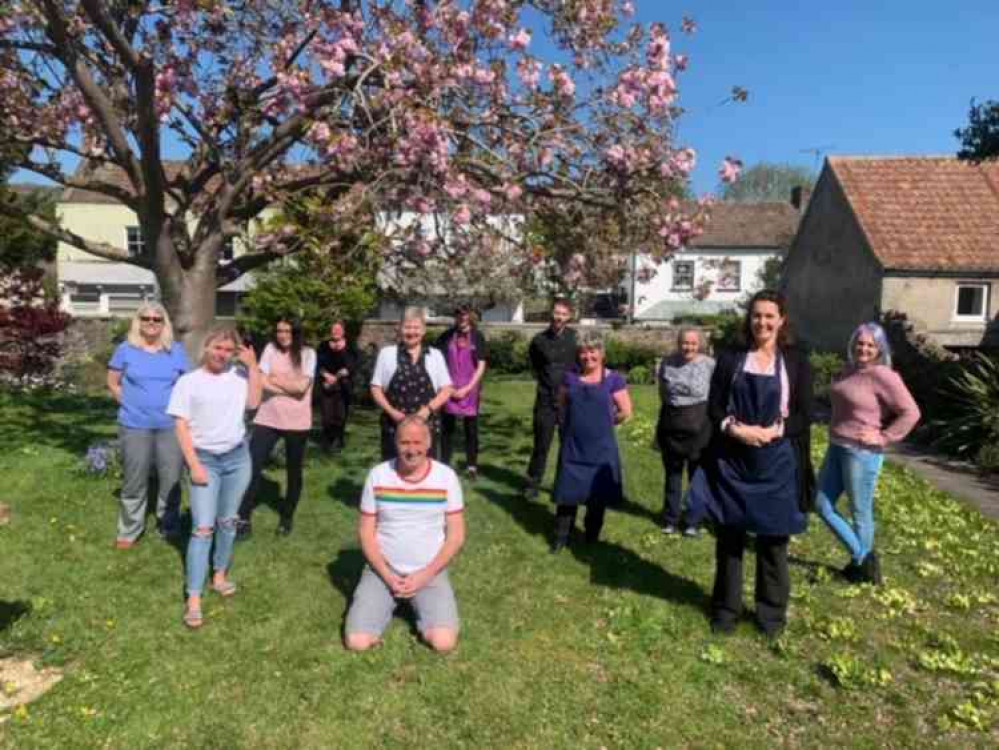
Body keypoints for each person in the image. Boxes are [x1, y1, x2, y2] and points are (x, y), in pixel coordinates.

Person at [688, 290, 815, 638]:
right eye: (756, 315)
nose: (762, 322)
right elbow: (714, 407)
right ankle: (725, 610)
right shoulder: (730, 358)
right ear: (749, 318)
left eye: (769, 316)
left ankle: (770, 616)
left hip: (777, 462)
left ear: (782, 320)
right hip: (734, 459)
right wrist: (736, 429)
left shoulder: (796, 360)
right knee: (729, 538)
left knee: (773, 542)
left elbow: (806, 415)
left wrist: (776, 430)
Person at [344, 416, 465, 653]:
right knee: (357, 642)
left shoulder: (446, 477)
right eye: (404, 443)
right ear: (395, 443)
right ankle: (393, 600)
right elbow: (366, 533)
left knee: (443, 643)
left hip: (429, 571)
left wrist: (425, 575)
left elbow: (456, 535)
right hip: (382, 571)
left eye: (418, 442)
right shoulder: (378, 475)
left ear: (429, 442)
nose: (411, 450)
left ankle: (412, 602)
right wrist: (388, 576)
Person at [167, 327, 262, 629]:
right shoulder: (188, 382)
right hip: (204, 460)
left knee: (228, 521)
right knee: (203, 528)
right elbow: (181, 426)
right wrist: (194, 465)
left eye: (228, 349)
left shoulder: (239, 378)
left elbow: (254, 403)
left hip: (237, 458)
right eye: (217, 348)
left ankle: (219, 575)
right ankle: (193, 597)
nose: (222, 354)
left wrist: (253, 366)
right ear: (206, 348)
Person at [815, 322, 920, 585]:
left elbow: (912, 412)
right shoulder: (849, 369)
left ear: (879, 349)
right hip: (837, 445)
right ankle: (864, 559)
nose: (864, 348)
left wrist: (884, 436)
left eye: (871, 345)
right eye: (860, 343)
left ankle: (859, 567)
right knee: (820, 503)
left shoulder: (884, 375)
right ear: (853, 344)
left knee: (860, 512)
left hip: (861, 453)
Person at [107, 303, 190, 547]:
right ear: (138, 321)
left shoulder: (175, 351)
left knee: (171, 477)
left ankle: (169, 525)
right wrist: (130, 402)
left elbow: (186, 386)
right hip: (134, 424)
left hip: (170, 425)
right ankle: (129, 530)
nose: (152, 323)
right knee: (134, 479)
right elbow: (113, 382)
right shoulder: (126, 349)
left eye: (157, 319)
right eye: (147, 318)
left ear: (165, 324)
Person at [550, 332, 633, 553]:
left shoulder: (614, 379)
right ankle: (560, 538)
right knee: (567, 495)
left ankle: (591, 537)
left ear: (602, 353)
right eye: (583, 352)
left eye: (592, 351)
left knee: (597, 496)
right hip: (573, 447)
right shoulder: (570, 378)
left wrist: (608, 422)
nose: (588, 356)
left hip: (601, 448)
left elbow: (626, 411)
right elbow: (561, 405)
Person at [238, 318, 316, 538]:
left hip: (297, 421)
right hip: (268, 417)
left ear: (296, 331)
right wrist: (286, 389)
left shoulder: (309, 354)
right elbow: (261, 381)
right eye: (279, 330)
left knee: (293, 470)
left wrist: (275, 379)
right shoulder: (270, 350)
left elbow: (302, 387)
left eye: (287, 331)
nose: (282, 335)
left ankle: (287, 517)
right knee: (252, 465)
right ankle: (243, 517)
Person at [370, 307, 453, 461]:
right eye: (407, 327)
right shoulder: (387, 354)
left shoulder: (435, 355)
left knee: (426, 474)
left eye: (416, 328)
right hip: (394, 427)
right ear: (400, 328)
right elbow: (376, 388)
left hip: (426, 428)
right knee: (392, 475)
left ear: (423, 331)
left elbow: (447, 389)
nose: (411, 332)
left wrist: (428, 410)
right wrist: (391, 411)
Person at [655, 328, 715, 536]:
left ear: (699, 344)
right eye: (684, 343)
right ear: (678, 343)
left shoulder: (709, 365)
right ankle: (670, 519)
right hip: (671, 426)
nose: (688, 347)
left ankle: (693, 522)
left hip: (699, 429)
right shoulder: (667, 362)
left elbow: (716, 395)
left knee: (697, 477)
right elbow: (663, 393)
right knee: (672, 476)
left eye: (692, 343)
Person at [525, 298, 578, 499]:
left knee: (567, 445)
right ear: (551, 314)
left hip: (568, 401)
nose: (559, 318)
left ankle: (563, 484)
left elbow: (580, 368)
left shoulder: (575, 338)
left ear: (569, 316)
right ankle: (533, 482)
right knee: (541, 444)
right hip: (545, 399)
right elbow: (535, 367)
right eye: (557, 313)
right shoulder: (539, 340)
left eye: (564, 314)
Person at [435, 304, 489, 480]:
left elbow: (481, 364)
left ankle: (471, 466)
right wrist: (447, 387)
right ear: (455, 316)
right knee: (446, 429)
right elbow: (437, 361)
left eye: (465, 314)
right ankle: (444, 465)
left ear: (470, 316)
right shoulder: (446, 336)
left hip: (470, 389)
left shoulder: (477, 337)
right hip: (448, 388)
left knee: (471, 429)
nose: (462, 317)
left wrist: (469, 387)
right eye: (458, 314)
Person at [316, 319, 357, 454]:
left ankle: (339, 440)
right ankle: (327, 440)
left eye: (338, 330)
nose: (336, 332)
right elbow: (318, 365)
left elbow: (351, 366)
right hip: (326, 384)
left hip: (343, 386)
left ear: (343, 331)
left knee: (340, 416)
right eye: (334, 329)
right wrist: (327, 376)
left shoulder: (350, 346)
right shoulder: (323, 346)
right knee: (327, 417)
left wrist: (341, 351)